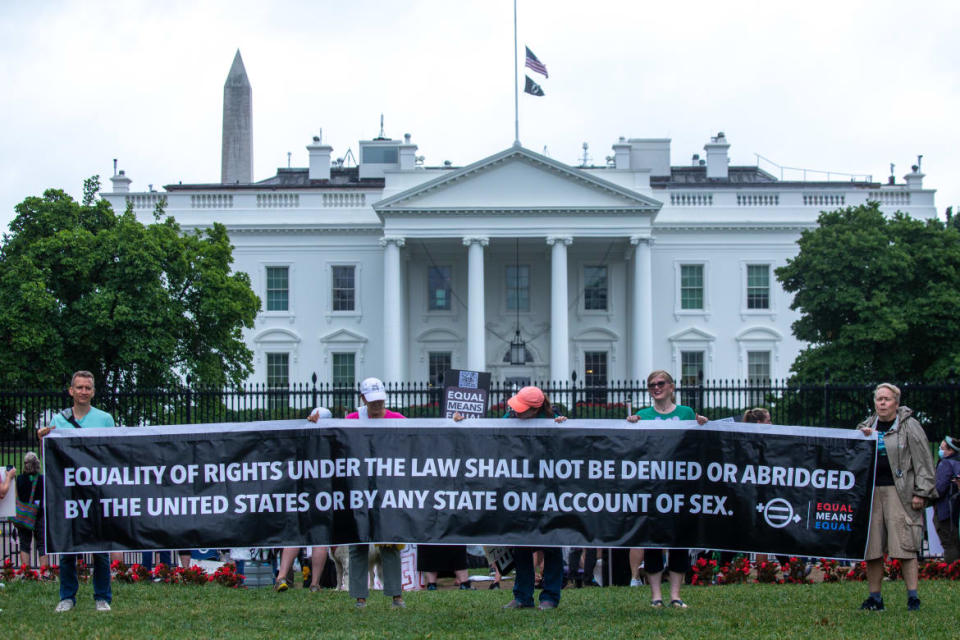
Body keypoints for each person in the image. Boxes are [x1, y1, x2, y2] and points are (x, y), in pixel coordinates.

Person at [459, 386, 567, 610]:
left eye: (522, 409)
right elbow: (487, 439)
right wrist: (463, 422)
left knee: (551, 546)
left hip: (547, 494)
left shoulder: (554, 419)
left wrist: (564, 428)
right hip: (518, 493)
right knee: (521, 545)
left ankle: (550, 597)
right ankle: (522, 597)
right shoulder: (508, 418)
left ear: (536, 409)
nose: (516, 412)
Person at [626, 370, 708, 608]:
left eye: (661, 383)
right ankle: (655, 596)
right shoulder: (642, 415)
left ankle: (675, 594)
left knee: (678, 542)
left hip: (679, 487)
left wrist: (702, 424)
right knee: (653, 541)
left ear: (672, 387)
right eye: (651, 384)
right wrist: (631, 425)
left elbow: (696, 445)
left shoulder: (686, 413)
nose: (656, 387)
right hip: (652, 488)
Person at [39, 371, 116, 613]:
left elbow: (114, 453)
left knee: (100, 548)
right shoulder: (58, 420)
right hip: (68, 492)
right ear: (71, 391)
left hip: (96, 492)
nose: (83, 391)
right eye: (79, 387)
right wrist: (41, 440)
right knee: (67, 546)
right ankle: (67, 597)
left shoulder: (105, 419)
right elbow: (50, 457)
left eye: (88, 388)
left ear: (93, 392)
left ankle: (102, 597)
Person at [856, 382, 937, 612]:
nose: (882, 403)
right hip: (872, 494)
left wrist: (921, 492)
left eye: (887, 399)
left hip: (900, 493)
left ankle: (913, 597)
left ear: (896, 402)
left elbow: (923, 462)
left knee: (905, 546)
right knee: (872, 548)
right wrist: (863, 437)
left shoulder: (910, 426)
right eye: (878, 399)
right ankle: (875, 598)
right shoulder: (865, 426)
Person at [345, 378, 406, 608]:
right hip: (360, 489)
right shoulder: (352, 420)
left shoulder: (398, 420)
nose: (377, 406)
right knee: (358, 541)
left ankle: (395, 595)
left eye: (380, 401)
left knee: (389, 542)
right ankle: (360, 596)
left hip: (387, 489)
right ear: (363, 400)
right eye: (373, 402)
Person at [7, 453, 49, 570]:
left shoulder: (20, 479)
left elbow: (16, 496)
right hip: (39, 514)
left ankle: (26, 572)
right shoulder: (42, 479)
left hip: (24, 516)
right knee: (42, 544)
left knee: (25, 544)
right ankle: (44, 572)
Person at [933, 435, 960, 563]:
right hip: (955, 510)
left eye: (942, 448)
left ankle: (953, 571)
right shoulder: (957, 462)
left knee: (949, 543)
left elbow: (939, 489)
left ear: (951, 450)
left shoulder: (946, 463)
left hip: (946, 509)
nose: (940, 450)